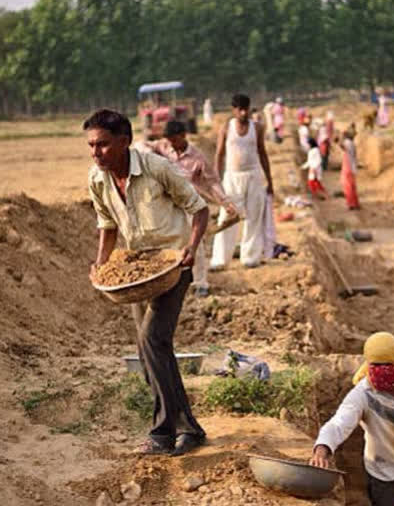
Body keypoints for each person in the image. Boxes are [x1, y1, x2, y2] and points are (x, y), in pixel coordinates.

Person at [85, 109, 209, 456]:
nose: (97, 152)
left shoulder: (157, 168)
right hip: (138, 271)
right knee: (151, 348)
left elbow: (199, 209)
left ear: (124, 142)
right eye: (92, 145)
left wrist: (191, 248)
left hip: (172, 266)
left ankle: (162, 433)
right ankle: (190, 429)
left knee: (153, 338)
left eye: (104, 145)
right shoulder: (97, 179)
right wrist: (102, 263)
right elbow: (107, 225)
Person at [310, 332, 394, 506]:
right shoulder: (361, 395)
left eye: (389, 364)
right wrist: (322, 449)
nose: (384, 370)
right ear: (369, 366)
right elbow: (339, 423)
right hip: (383, 477)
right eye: (377, 365)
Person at [138, 120, 238, 297]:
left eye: (174, 140)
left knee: (195, 245)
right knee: (170, 244)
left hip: (191, 206)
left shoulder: (197, 158)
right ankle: (171, 281)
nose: (171, 144)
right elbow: (141, 145)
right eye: (168, 140)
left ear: (183, 136)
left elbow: (212, 182)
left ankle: (201, 283)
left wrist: (224, 201)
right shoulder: (163, 147)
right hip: (169, 206)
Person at [210, 94, 275, 270]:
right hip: (232, 177)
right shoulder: (226, 128)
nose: (244, 112)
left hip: (253, 176)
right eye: (240, 109)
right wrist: (217, 182)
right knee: (227, 217)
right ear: (234, 110)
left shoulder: (257, 128)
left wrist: (270, 181)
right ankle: (220, 259)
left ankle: (250, 257)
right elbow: (219, 154)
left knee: (254, 216)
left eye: (246, 108)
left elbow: (263, 153)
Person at [340, 129, 360, 210]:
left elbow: (342, 146)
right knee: (352, 186)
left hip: (348, 167)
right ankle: (355, 203)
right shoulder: (351, 143)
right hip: (351, 167)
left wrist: (341, 138)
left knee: (347, 186)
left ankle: (351, 204)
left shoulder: (347, 142)